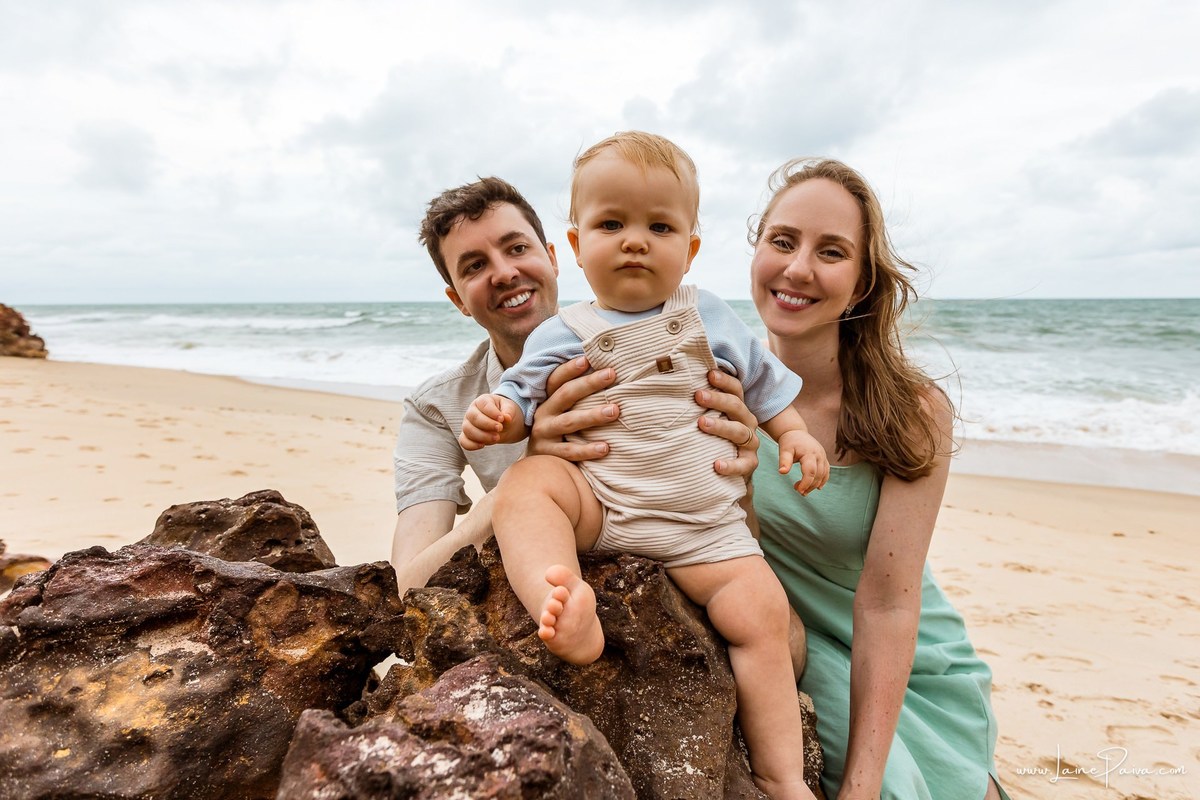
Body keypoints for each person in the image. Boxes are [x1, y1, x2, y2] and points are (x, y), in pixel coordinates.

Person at [460, 132, 824, 800]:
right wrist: (499, 417)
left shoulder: (709, 315)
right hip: (605, 508)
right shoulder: (562, 332)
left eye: (659, 227)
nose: (635, 242)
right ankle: (563, 601)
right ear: (576, 246)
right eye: (611, 224)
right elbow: (520, 398)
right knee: (526, 485)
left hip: (707, 531)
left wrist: (796, 436)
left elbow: (766, 387)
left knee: (764, 619)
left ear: (690, 249)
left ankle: (782, 776)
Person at [746, 158, 1009, 800]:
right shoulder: (717, 388)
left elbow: (889, 603)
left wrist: (859, 789)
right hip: (800, 644)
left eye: (831, 251)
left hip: (909, 660)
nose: (798, 268)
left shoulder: (911, 411)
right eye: (782, 240)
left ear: (862, 282)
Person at [391, 176, 762, 593]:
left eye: (517, 248)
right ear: (457, 299)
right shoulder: (438, 406)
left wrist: (740, 477)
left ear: (554, 258)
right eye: (475, 266)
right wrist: (528, 471)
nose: (505, 273)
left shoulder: (687, 356)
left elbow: (745, 542)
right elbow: (406, 585)